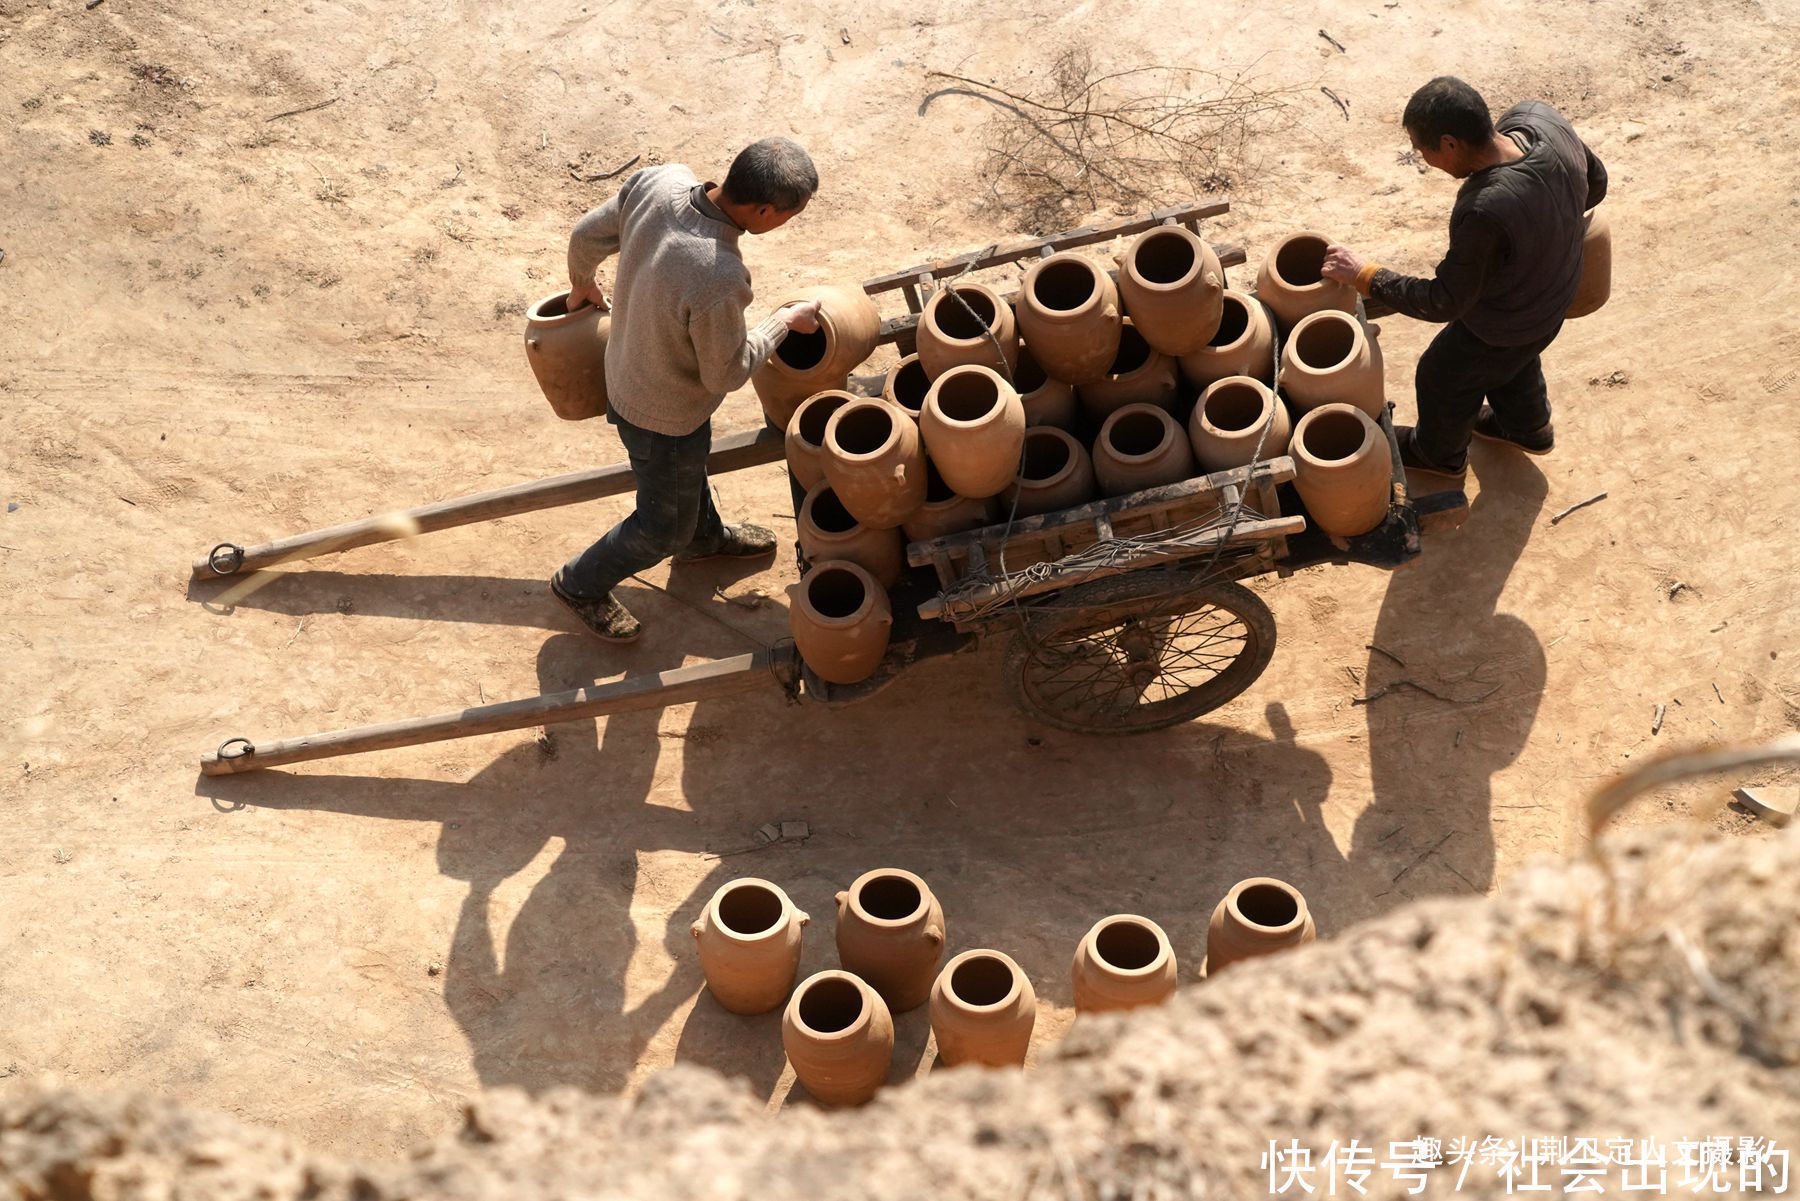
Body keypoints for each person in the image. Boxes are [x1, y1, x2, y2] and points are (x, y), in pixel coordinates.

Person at [552, 138, 825, 642]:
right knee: (660, 526)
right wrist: (783, 322)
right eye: (789, 215)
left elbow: (585, 235)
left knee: (682, 479)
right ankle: (580, 583)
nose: (786, 223)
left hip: (629, 371)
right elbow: (725, 373)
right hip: (662, 414)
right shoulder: (718, 274)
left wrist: (581, 281)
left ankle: (703, 539)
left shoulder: (662, 181)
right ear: (763, 210)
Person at [1322, 77, 1607, 483]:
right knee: (1511, 360)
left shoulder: (1486, 209)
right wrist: (1543, 236)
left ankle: (1439, 456)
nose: (1426, 160)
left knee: (1444, 373)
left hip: (1513, 319)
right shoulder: (1539, 119)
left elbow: (1444, 301)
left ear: (1450, 144)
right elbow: (1596, 183)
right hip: (1556, 296)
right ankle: (1527, 429)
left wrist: (1366, 275)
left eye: (1425, 152)